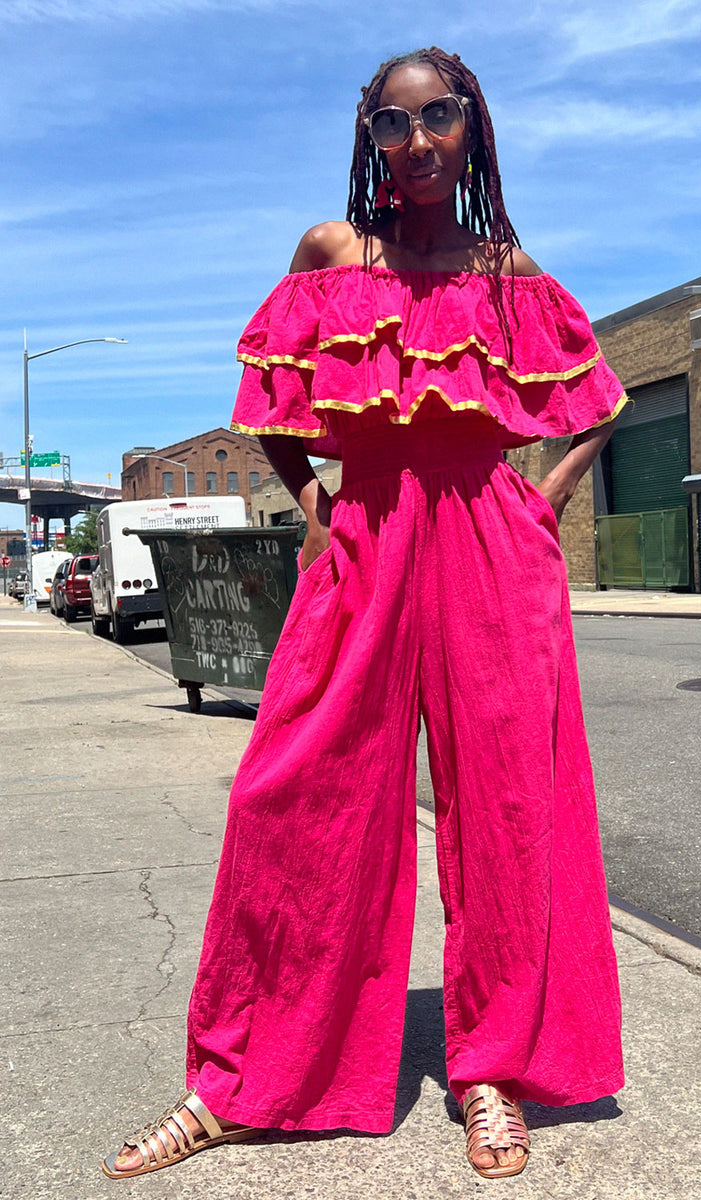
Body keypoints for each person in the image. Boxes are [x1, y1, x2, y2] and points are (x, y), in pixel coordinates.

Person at [102, 46, 627, 1183]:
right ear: (368, 140)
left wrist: (538, 507)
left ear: (472, 128)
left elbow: (594, 398)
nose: (419, 140)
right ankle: (241, 1082)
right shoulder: (332, 256)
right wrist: (312, 503)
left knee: (507, 809)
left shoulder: (504, 271)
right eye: (395, 124)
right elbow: (267, 406)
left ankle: (492, 1072)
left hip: (493, 549)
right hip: (368, 536)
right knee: (291, 791)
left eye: (439, 117)